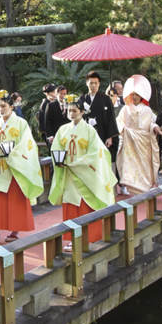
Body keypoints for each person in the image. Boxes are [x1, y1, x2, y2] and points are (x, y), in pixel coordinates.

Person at [48, 95, 117, 246]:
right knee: (71, 205)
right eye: (69, 110)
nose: (71, 113)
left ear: (82, 112)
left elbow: (95, 154)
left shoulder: (90, 131)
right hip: (69, 174)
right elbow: (57, 148)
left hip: (85, 174)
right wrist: (59, 161)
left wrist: (77, 164)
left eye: (74, 110)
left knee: (86, 205)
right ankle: (72, 238)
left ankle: (89, 237)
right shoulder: (62, 130)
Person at [0, 90, 44, 244]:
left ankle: (15, 230)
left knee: (16, 199)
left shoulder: (21, 123)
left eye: (3, 105)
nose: (0, 109)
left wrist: (13, 155)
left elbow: (28, 144)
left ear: (11, 107)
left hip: (15, 167)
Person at [116, 75, 160, 195]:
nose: (134, 97)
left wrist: (155, 127)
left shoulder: (147, 110)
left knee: (145, 164)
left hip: (144, 141)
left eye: (136, 94)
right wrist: (124, 129)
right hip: (130, 140)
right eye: (132, 94)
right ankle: (132, 186)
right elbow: (119, 121)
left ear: (141, 95)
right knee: (131, 163)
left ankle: (145, 185)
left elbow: (152, 122)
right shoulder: (125, 109)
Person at [81, 70, 122, 193]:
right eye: (91, 83)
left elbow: (111, 118)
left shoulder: (105, 99)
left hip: (103, 134)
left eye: (95, 83)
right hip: (88, 135)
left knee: (104, 162)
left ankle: (107, 189)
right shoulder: (82, 99)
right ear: (87, 83)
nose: (93, 85)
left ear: (99, 84)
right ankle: (91, 188)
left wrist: (110, 136)